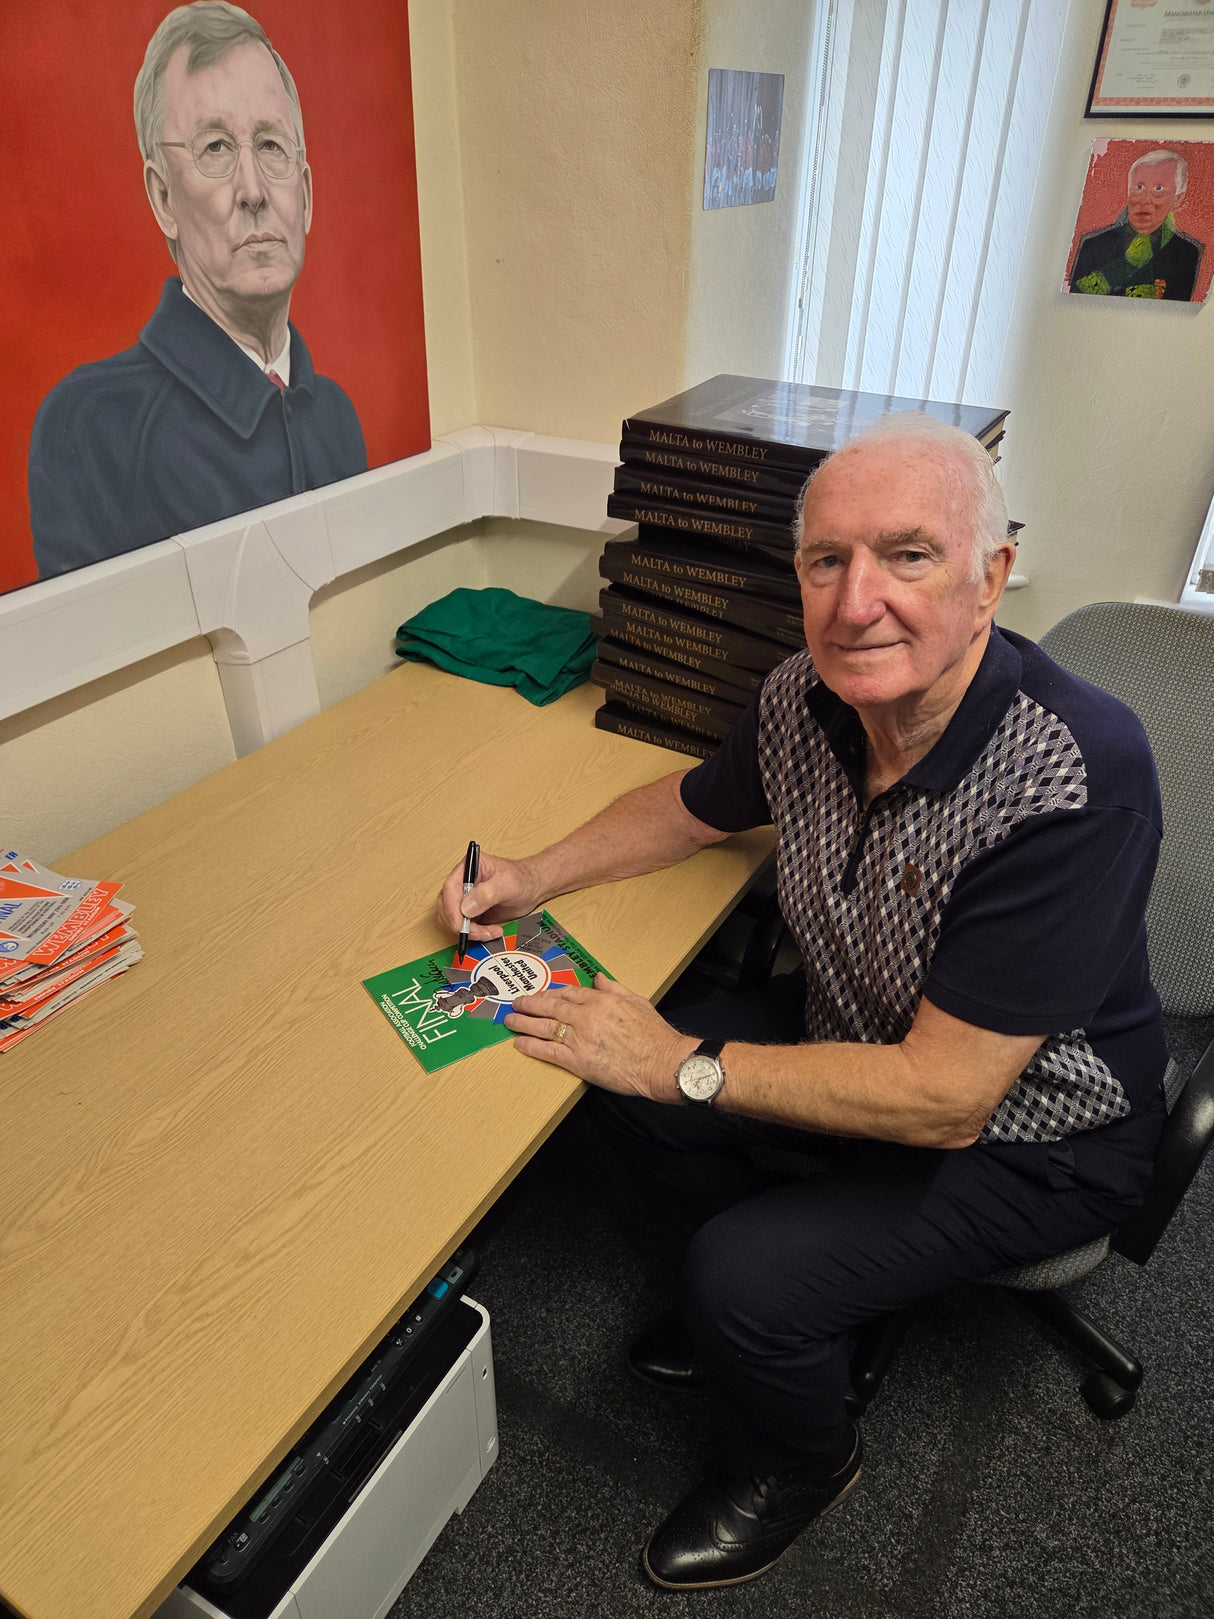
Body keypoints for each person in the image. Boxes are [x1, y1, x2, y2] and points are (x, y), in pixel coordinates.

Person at [436, 413, 1167, 1591]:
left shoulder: (1072, 772)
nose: (854, 599)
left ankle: (799, 1455)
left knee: (736, 1253)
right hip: (866, 1030)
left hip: (1037, 1131)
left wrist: (682, 1059)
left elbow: (944, 1097)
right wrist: (532, 873)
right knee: (610, 1083)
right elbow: (691, 802)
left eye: (907, 554)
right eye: (825, 559)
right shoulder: (802, 695)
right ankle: (761, 1310)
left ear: (991, 576)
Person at [28, 1, 367, 582]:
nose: (253, 190)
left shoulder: (337, 417)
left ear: (305, 195)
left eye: (271, 146)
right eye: (215, 148)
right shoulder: (93, 424)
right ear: (164, 200)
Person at [1069, 148, 1204, 300]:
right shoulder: (1093, 244)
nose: (1145, 200)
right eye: (1139, 187)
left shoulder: (1187, 253)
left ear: (1177, 199)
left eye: (1158, 189)